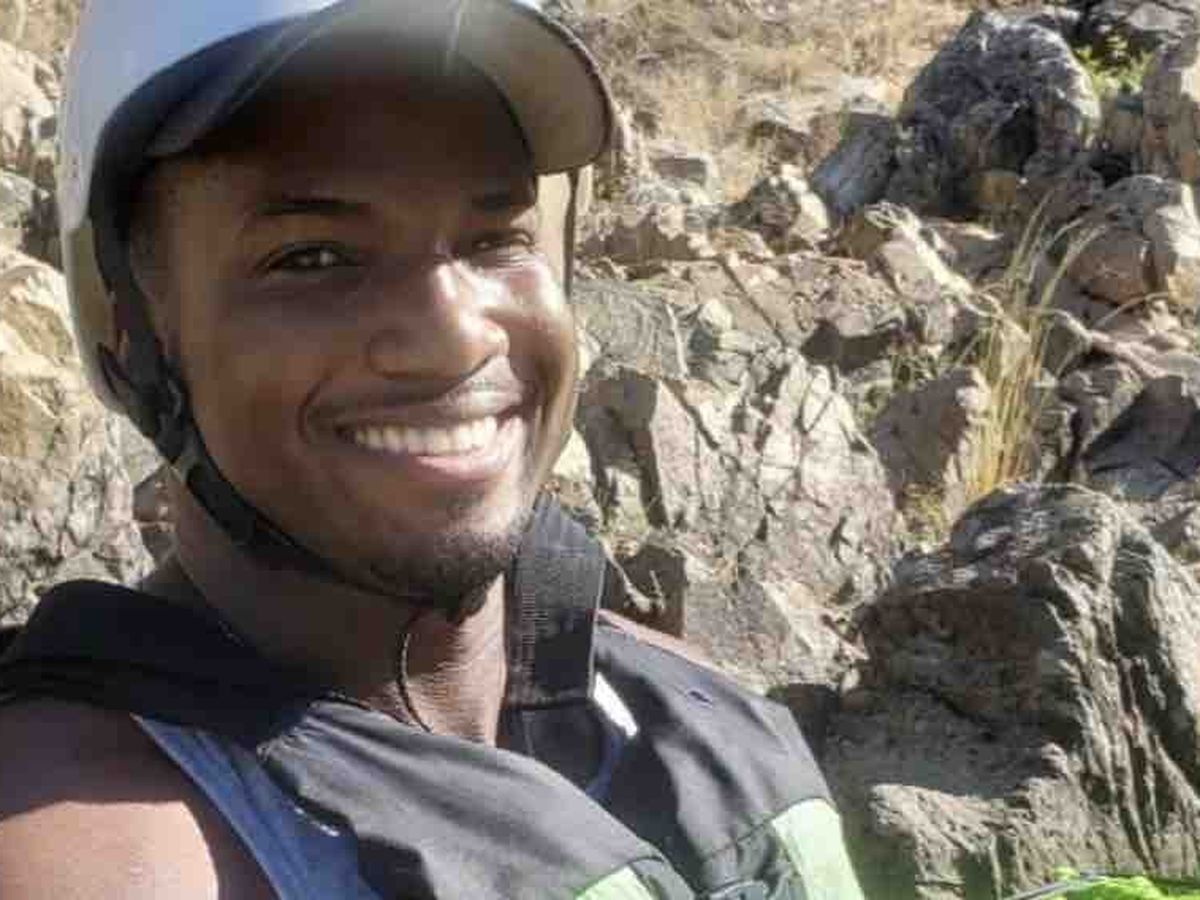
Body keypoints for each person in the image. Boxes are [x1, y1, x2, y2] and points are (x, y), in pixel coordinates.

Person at [0, 1, 867, 897]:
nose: (454, 338)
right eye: (312, 257)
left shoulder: (692, 708)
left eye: (498, 240)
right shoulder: (87, 854)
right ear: (132, 333)